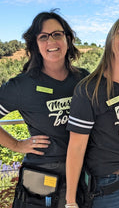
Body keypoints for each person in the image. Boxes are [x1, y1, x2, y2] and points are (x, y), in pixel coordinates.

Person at [0, 10, 89, 208]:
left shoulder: (83, 79)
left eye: (57, 34)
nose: (51, 41)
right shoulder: (22, 86)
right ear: (35, 44)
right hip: (40, 178)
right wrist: (16, 145)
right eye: (43, 37)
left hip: (80, 175)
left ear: (68, 38)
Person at [65, 16, 119, 208]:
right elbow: (76, 148)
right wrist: (70, 201)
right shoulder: (89, 89)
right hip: (106, 184)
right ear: (111, 38)